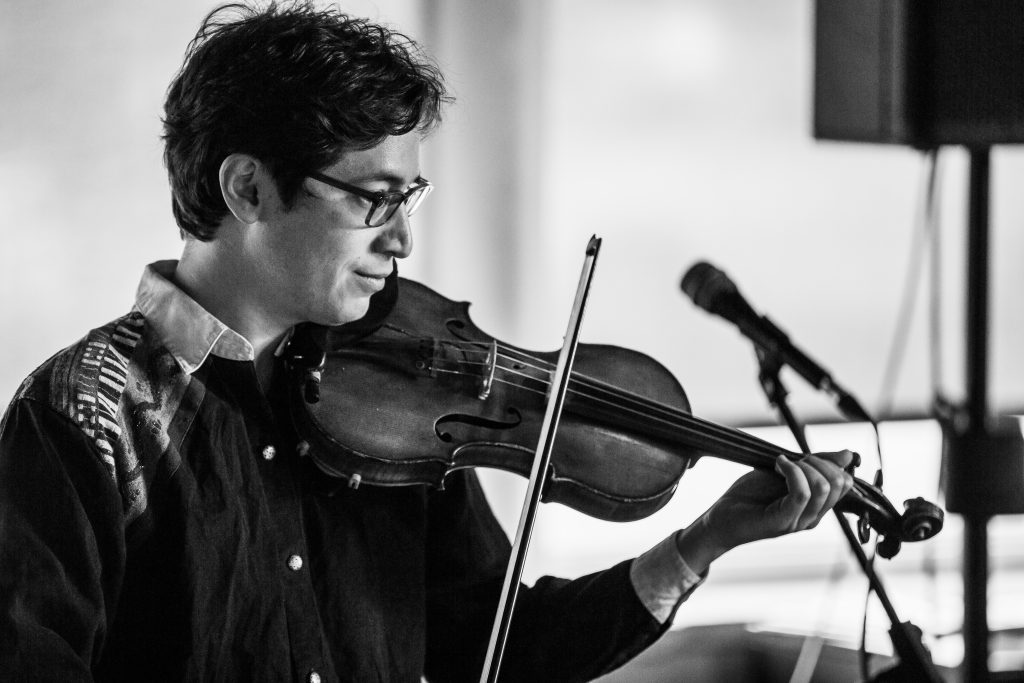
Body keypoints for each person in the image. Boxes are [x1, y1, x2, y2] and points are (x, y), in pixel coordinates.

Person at [0, 2, 855, 681]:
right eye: (375, 200)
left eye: (412, 199)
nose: (403, 242)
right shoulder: (83, 415)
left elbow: (489, 650)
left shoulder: (398, 398)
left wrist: (704, 541)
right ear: (248, 187)